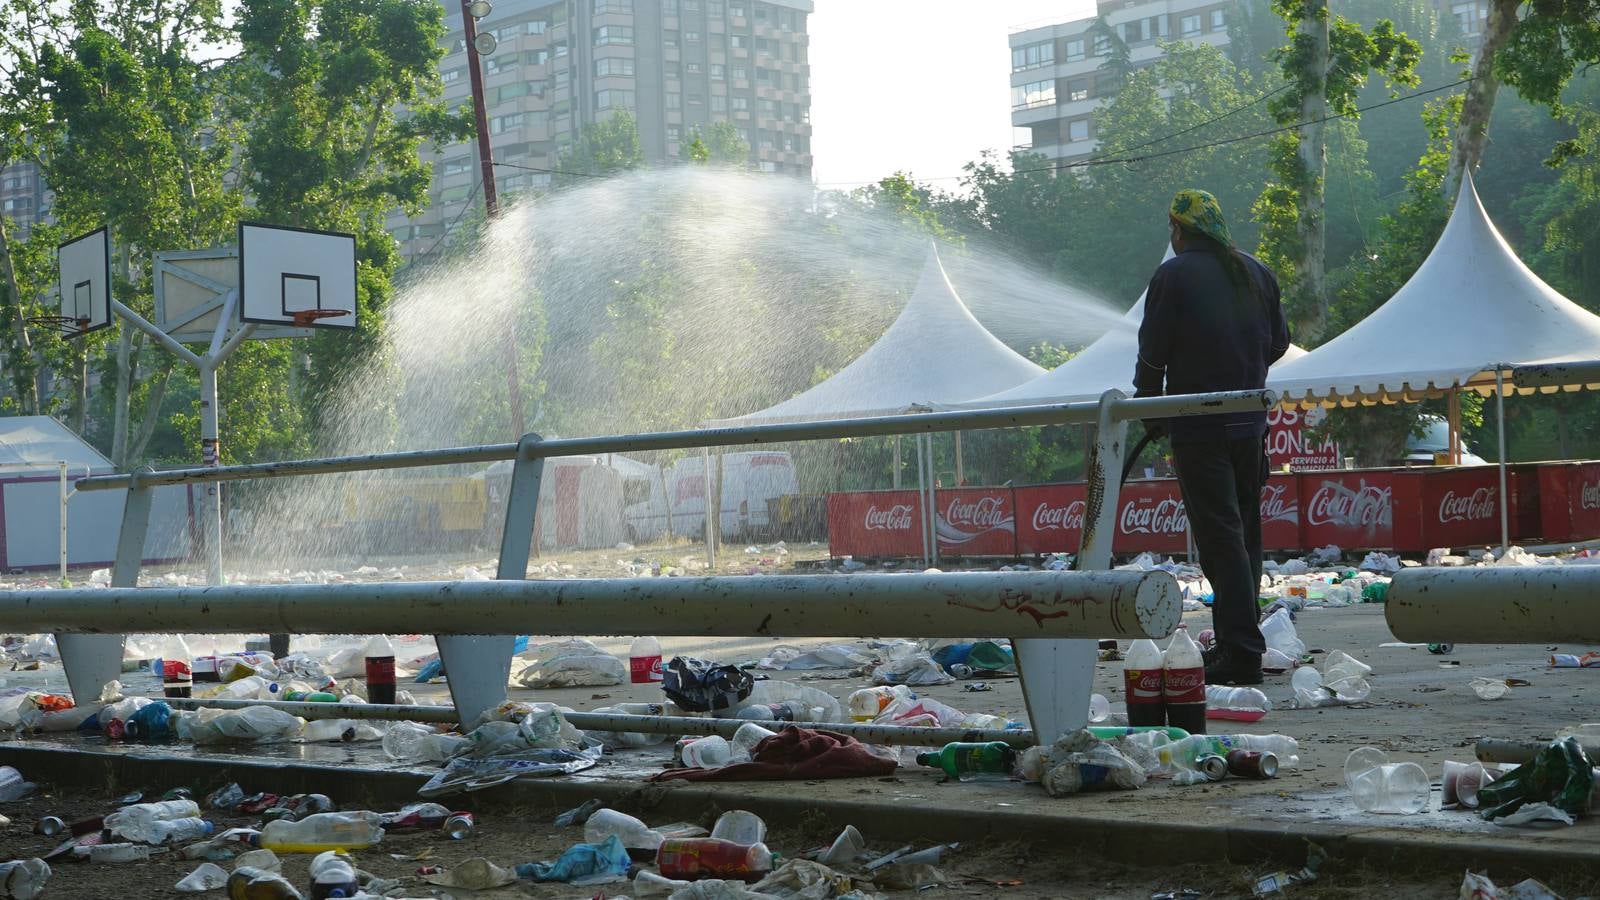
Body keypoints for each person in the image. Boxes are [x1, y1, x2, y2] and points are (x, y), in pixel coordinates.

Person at [1133, 189, 1290, 686]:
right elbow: (1280, 342)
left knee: (1220, 538)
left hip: (1199, 428)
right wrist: (1243, 362)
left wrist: (1148, 405)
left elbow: (1152, 352)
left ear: (1180, 230)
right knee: (1244, 535)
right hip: (1250, 425)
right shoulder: (1256, 271)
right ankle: (1241, 643)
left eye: (1172, 229)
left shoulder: (1173, 275)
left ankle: (1241, 653)